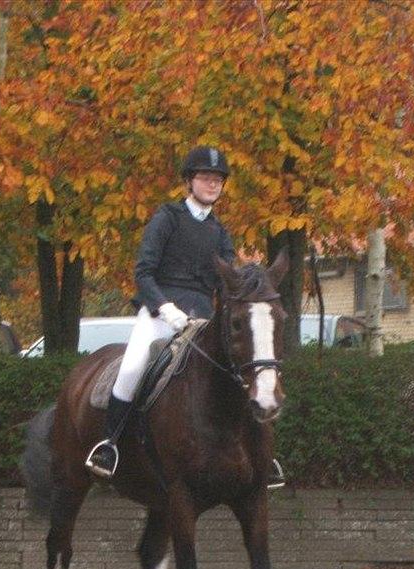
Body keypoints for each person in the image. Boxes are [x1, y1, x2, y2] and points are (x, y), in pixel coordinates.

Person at [85, 145, 285, 488]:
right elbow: (143, 272)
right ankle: (109, 444)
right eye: (206, 178)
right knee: (132, 367)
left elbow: (228, 284)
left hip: (203, 318)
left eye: (218, 179)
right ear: (189, 182)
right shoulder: (167, 218)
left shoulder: (220, 232)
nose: (213, 184)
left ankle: (262, 457)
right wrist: (165, 308)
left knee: (242, 373)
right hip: (159, 312)